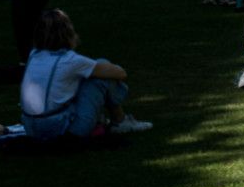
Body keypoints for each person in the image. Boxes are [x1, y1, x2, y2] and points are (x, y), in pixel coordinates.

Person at [19, 9, 150, 139]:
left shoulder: (34, 55)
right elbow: (121, 74)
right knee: (101, 70)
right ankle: (120, 121)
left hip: (31, 128)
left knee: (87, 75)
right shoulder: (70, 60)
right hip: (62, 130)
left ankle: (105, 119)